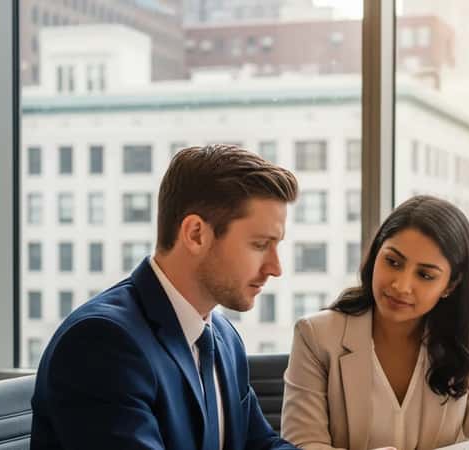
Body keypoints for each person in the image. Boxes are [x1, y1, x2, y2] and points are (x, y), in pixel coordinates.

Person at [31, 144, 300, 450]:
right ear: (196, 234)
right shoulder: (102, 343)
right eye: (260, 244)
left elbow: (261, 446)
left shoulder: (223, 337)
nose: (275, 268)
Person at [281, 195, 469, 450]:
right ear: (375, 253)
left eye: (425, 275)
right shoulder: (316, 336)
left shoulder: (468, 336)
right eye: (393, 262)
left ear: (450, 285)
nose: (401, 286)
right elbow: (302, 444)